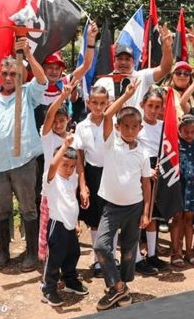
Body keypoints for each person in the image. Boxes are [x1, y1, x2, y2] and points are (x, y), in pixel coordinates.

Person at [0, 38, 48, 272]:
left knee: (28, 208)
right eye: (4, 73)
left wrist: (27, 53)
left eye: (13, 74)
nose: (8, 78)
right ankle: (4, 252)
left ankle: (32, 254)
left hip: (24, 161)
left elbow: (43, 80)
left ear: (21, 76)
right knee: (0, 209)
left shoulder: (27, 94)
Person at [93, 79, 152, 311]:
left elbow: (146, 184)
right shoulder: (111, 144)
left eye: (133, 127)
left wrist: (146, 212)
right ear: (118, 127)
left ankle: (121, 289)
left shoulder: (143, 153)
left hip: (135, 207)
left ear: (140, 128)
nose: (129, 130)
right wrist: (126, 96)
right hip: (112, 206)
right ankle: (117, 286)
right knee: (101, 246)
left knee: (129, 250)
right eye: (125, 126)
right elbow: (107, 116)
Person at [40, 136, 89, 306]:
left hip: (70, 225)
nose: (68, 169)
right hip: (57, 225)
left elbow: (71, 200)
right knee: (55, 258)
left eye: (72, 166)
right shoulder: (51, 178)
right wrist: (65, 146)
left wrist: (75, 222)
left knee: (73, 254)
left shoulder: (73, 178)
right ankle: (48, 289)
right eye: (65, 165)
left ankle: (70, 281)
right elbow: (53, 165)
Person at [73, 85, 111, 277]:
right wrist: (83, 184)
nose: (98, 107)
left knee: (111, 216)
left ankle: (110, 257)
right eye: (94, 103)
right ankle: (97, 260)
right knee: (95, 218)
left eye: (103, 103)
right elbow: (79, 157)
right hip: (92, 173)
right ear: (88, 103)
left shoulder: (112, 122)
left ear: (108, 103)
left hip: (111, 173)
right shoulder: (81, 126)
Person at [93, 24, 173, 108]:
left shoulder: (142, 77)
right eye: (120, 59)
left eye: (127, 59)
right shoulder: (102, 82)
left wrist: (167, 49)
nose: (123, 62)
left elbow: (165, 69)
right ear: (114, 61)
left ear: (133, 62)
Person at [135, 88, 168, 276]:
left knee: (153, 215)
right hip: (141, 170)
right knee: (140, 213)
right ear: (142, 105)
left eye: (157, 106)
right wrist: (146, 170)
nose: (153, 110)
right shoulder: (137, 125)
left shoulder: (163, 125)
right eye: (150, 106)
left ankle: (153, 254)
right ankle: (137, 258)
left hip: (159, 170)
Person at [170, 114, 194, 267]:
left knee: (189, 219)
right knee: (176, 218)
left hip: (193, 186)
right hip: (178, 185)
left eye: (192, 132)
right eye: (185, 131)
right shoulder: (175, 143)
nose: (188, 135)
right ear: (179, 130)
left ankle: (189, 251)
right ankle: (176, 252)